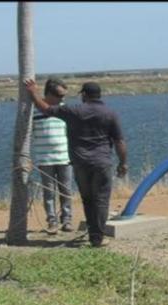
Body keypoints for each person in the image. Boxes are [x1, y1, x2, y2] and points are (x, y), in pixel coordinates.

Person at [23, 79, 127, 247]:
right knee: (101, 200)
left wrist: (33, 91)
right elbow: (120, 142)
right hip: (102, 163)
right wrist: (123, 164)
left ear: (84, 95)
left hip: (80, 164)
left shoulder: (74, 110)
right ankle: (97, 237)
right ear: (99, 95)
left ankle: (93, 233)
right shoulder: (110, 113)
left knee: (87, 199)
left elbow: (45, 109)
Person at [32, 78, 74, 234]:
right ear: (49, 94)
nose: (62, 99)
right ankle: (52, 222)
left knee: (66, 191)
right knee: (48, 193)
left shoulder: (65, 110)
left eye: (64, 96)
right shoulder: (34, 110)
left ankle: (67, 220)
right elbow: (29, 135)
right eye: (59, 95)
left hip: (65, 158)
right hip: (45, 159)